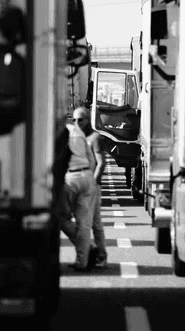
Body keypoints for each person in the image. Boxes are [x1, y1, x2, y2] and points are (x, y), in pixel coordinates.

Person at [60, 122, 99, 272]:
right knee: (84, 224)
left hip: (69, 178)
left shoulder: (56, 130)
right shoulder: (77, 132)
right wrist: (89, 176)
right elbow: (92, 160)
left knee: (62, 218)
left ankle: (88, 247)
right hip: (86, 176)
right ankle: (82, 261)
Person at [73, 106, 108, 268]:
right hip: (82, 185)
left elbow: (101, 163)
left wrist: (93, 184)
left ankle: (101, 255)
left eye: (81, 119)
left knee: (95, 223)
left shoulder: (95, 138)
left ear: (88, 120)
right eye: (74, 120)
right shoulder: (77, 137)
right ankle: (86, 254)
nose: (77, 123)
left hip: (92, 186)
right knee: (82, 223)